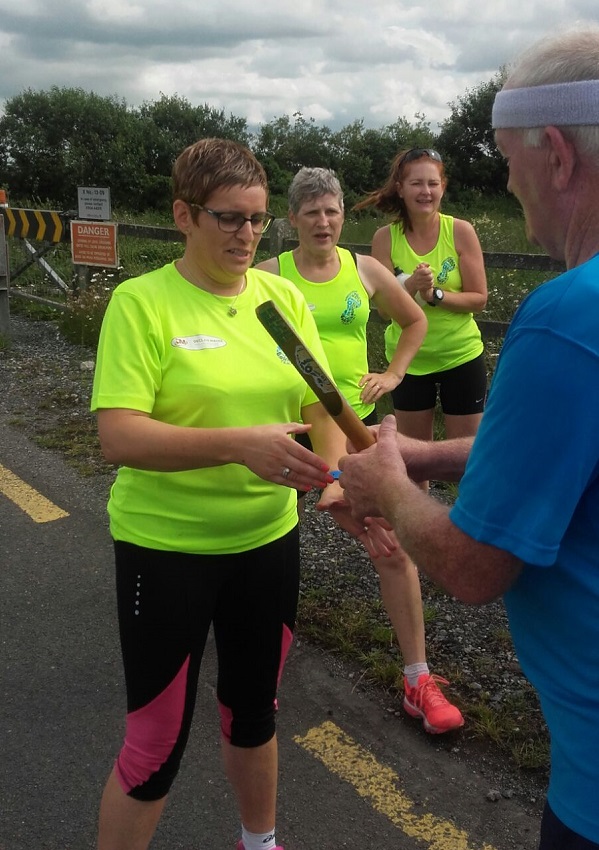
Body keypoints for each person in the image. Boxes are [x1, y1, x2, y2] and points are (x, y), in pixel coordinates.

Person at [90, 138, 392, 850]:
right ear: (183, 216)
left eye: (258, 220)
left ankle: (259, 844)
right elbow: (120, 436)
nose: (247, 235)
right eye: (228, 218)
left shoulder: (278, 295)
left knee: (255, 713)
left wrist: (334, 480)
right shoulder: (142, 303)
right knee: (155, 745)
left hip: (264, 543)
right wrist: (237, 443)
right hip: (166, 549)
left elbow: (318, 402)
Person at [338, 26, 599, 850]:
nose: (512, 189)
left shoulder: (567, 319)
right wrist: (423, 456)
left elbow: (474, 566)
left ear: (555, 154)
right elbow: (564, 462)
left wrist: (389, 489)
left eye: (510, 166)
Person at [256, 166, 465, 734]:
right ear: (292, 219)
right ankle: (253, 680)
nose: (322, 222)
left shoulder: (365, 269)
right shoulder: (267, 276)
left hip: (357, 426)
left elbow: (415, 319)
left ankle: (418, 680)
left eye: (331, 211)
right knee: (260, 549)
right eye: (311, 212)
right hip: (286, 429)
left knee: (392, 547)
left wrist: (393, 373)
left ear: (343, 215)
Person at [354, 146, 488, 467]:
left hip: (461, 356)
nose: (425, 191)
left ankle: (464, 518)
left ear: (443, 187)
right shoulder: (385, 239)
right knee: (414, 462)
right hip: (408, 362)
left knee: (467, 461)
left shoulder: (460, 231)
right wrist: (409, 288)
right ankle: (416, 516)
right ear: (400, 189)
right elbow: (385, 311)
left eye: (432, 183)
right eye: (416, 183)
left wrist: (435, 296)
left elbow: (479, 299)